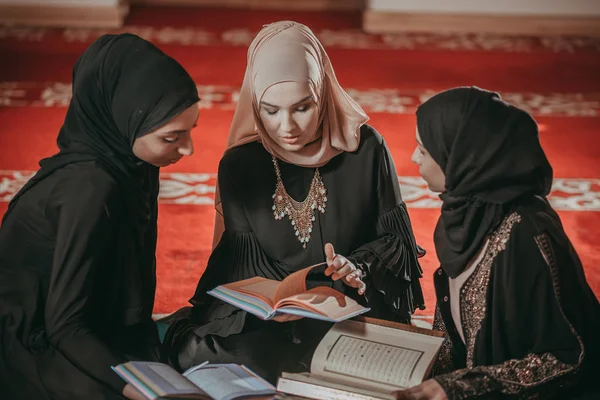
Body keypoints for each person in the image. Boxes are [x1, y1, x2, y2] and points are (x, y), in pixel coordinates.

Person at [160, 20, 425, 383]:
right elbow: (240, 264)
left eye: (302, 107)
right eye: (270, 110)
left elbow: (397, 245)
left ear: (323, 92)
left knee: (365, 351)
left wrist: (356, 268)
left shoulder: (365, 150)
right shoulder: (240, 164)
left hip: (352, 307)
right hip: (276, 321)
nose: (287, 127)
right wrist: (286, 302)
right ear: (254, 104)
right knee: (212, 353)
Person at [0, 33, 199, 400]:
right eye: (172, 138)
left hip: (83, 315)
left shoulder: (135, 161)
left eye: (191, 131)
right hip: (29, 334)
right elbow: (63, 326)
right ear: (122, 121)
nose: (188, 149)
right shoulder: (89, 188)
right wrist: (137, 387)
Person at [394, 86, 600, 400]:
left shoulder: (529, 235)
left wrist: (459, 386)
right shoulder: (465, 215)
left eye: (423, 149)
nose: (413, 158)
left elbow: (569, 357)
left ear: (461, 157)